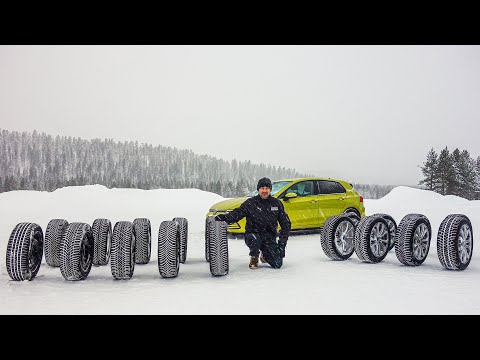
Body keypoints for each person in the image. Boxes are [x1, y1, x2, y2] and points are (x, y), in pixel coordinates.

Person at [215, 177, 291, 269]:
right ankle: (254, 257)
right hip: (253, 234)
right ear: (258, 190)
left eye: (267, 188)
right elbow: (237, 213)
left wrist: (282, 244)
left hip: (269, 237)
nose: (264, 191)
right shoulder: (251, 203)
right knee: (254, 239)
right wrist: (224, 218)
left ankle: (265, 255)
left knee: (277, 264)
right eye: (262, 188)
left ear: (270, 190)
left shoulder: (276, 203)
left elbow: (286, 224)